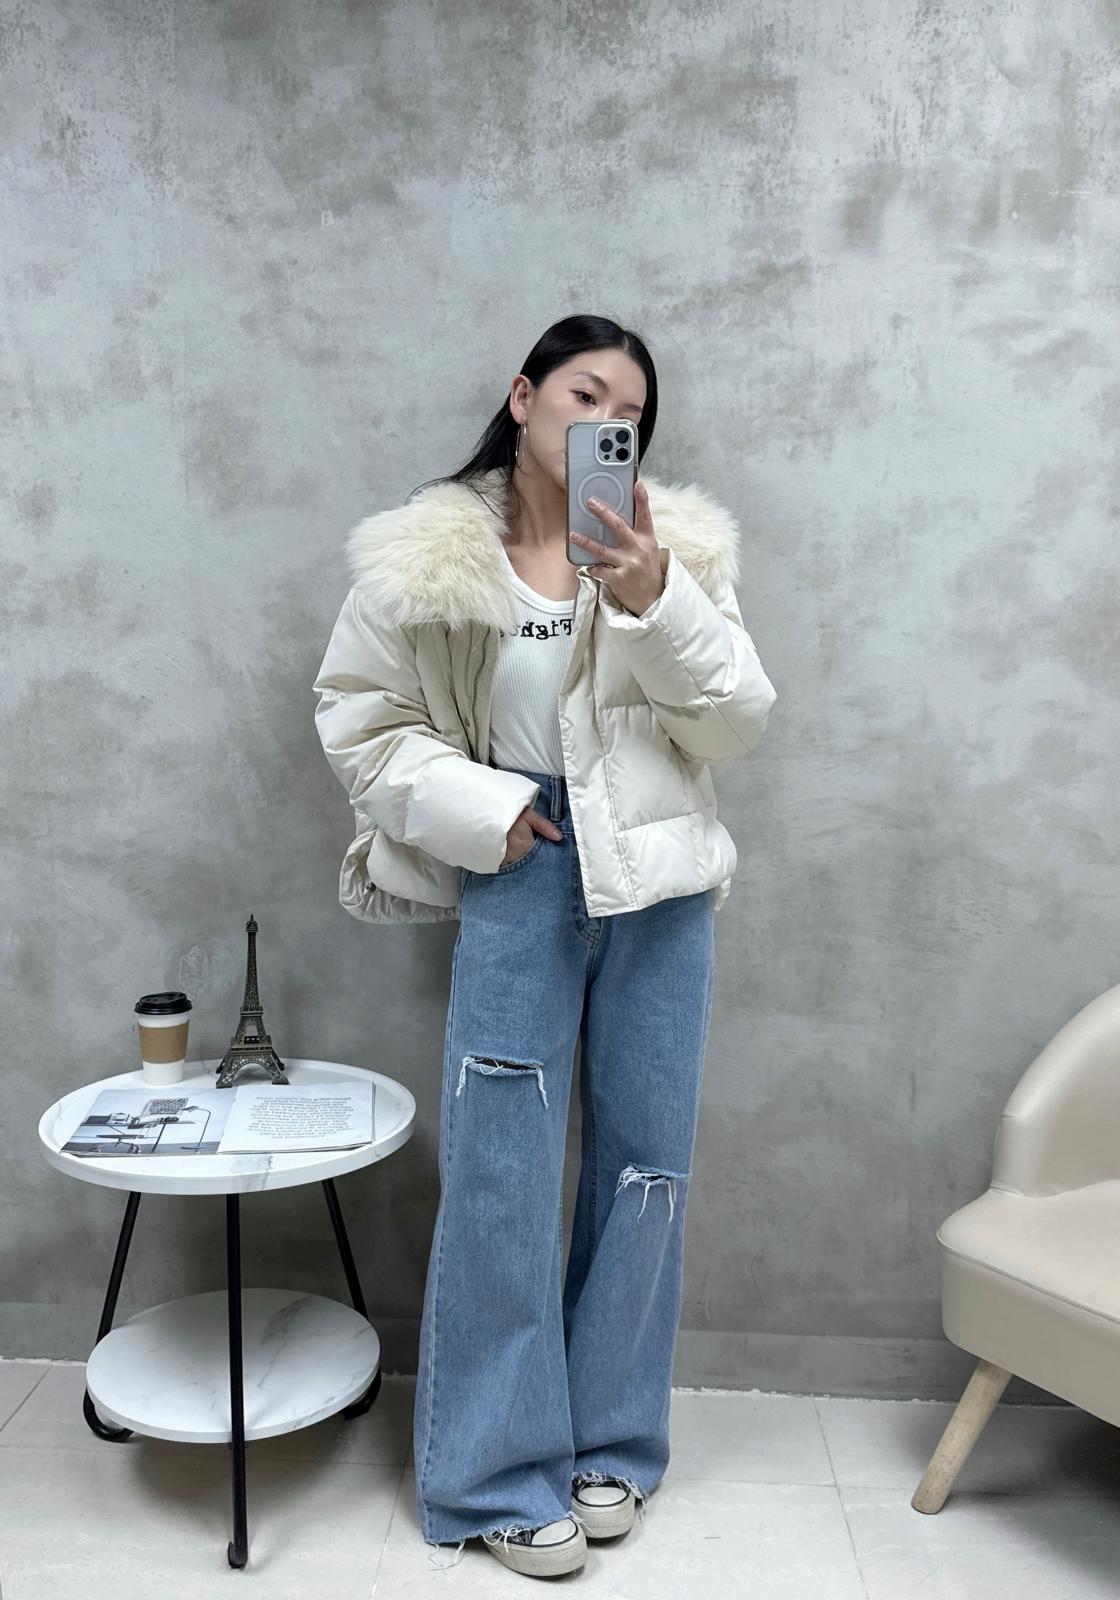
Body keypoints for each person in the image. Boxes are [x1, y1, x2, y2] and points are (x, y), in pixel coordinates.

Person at [312, 314, 778, 1578]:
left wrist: (654, 598)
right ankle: (490, 1477)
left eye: (629, 412)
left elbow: (736, 722)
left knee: (645, 1169)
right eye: (584, 394)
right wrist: (490, 811)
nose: (604, 423)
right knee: (502, 1175)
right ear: (522, 398)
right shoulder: (426, 559)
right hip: (519, 868)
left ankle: (610, 1444)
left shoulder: (677, 553)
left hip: (657, 880)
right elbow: (359, 719)